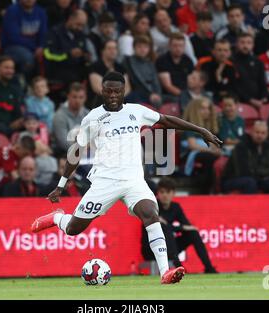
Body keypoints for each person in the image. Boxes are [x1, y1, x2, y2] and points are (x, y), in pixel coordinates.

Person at [31, 71, 222, 284]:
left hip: (133, 181)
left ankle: (165, 272)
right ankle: (57, 217)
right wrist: (61, 185)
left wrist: (201, 130)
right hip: (105, 182)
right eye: (108, 91)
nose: (113, 95)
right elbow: (76, 151)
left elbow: (166, 120)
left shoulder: (136, 111)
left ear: (124, 92)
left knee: (150, 213)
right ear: (102, 91)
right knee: (74, 229)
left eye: (117, 91)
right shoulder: (93, 117)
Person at [141, 177, 218, 274]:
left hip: (171, 248)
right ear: (157, 193)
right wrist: (180, 227)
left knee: (193, 233)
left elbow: (187, 226)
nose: (165, 195)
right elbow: (169, 227)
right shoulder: (153, 207)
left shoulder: (175, 207)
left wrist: (180, 227)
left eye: (168, 192)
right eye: (162, 192)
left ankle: (209, 268)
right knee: (164, 228)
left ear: (173, 193)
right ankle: (178, 265)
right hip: (151, 248)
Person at [222, 121, 269, 194]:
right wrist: (262, 175)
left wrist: (264, 176)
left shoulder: (268, 147)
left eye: (263, 133)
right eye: (257, 132)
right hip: (232, 179)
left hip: (256, 178)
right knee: (250, 182)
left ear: (267, 134)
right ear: (251, 132)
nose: (260, 135)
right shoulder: (241, 147)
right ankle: (248, 205)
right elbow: (243, 171)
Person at [181, 97, 221, 193]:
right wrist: (211, 150)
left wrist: (216, 151)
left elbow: (214, 145)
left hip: (205, 153)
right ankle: (205, 190)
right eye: (203, 108)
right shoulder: (189, 126)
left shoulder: (209, 128)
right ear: (195, 111)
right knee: (209, 157)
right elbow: (193, 145)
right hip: (190, 154)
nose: (207, 111)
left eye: (208, 108)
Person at [43, 9, 91, 88]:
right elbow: (48, 54)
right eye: (78, 24)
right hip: (58, 68)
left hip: (76, 67)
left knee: (94, 72)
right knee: (74, 77)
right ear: (71, 19)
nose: (80, 28)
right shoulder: (55, 32)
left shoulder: (81, 35)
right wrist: (68, 54)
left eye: (83, 26)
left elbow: (84, 51)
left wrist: (85, 56)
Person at [0, 0, 48, 77]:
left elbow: (43, 34)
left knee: (49, 56)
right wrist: (35, 48)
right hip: (12, 46)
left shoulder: (41, 12)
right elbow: (13, 38)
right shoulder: (12, 11)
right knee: (27, 58)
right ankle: (21, 81)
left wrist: (41, 46)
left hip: (34, 47)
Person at [88, 39, 131, 109]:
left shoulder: (121, 68)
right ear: (102, 51)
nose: (113, 51)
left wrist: (118, 98)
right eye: (109, 48)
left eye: (115, 48)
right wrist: (117, 94)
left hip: (120, 102)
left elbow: (128, 88)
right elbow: (98, 88)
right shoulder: (95, 67)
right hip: (99, 103)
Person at [123, 35, 161, 107]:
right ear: (134, 48)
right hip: (135, 94)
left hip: (151, 95)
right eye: (139, 47)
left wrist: (157, 94)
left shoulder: (150, 63)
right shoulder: (128, 61)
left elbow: (156, 82)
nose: (142, 49)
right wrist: (149, 95)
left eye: (145, 47)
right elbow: (136, 81)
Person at [232, 32, 268, 110]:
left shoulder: (258, 62)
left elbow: (262, 82)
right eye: (242, 42)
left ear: (253, 45)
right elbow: (234, 86)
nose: (245, 46)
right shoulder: (231, 62)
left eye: (249, 43)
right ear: (237, 44)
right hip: (239, 101)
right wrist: (250, 100)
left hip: (259, 101)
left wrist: (264, 97)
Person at [52, 82, 89, 155]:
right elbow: (63, 142)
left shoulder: (88, 114)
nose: (77, 101)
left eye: (81, 97)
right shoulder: (59, 116)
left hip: (87, 153)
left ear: (85, 98)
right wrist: (82, 151)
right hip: (65, 154)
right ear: (68, 96)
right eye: (74, 97)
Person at [156, 33, 195, 101]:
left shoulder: (188, 60)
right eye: (175, 46)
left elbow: (192, 81)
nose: (178, 49)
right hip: (168, 95)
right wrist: (185, 96)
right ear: (169, 46)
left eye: (181, 46)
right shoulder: (162, 61)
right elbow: (167, 86)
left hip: (186, 93)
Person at [197, 38, 238, 103]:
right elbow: (202, 85)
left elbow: (230, 89)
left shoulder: (231, 67)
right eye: (219, 50)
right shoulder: (204, 63)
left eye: (225, 50)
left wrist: (218, 75)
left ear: (230, 53)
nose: (222, 53)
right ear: (213, 51)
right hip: (204, 97)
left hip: (224, 100)